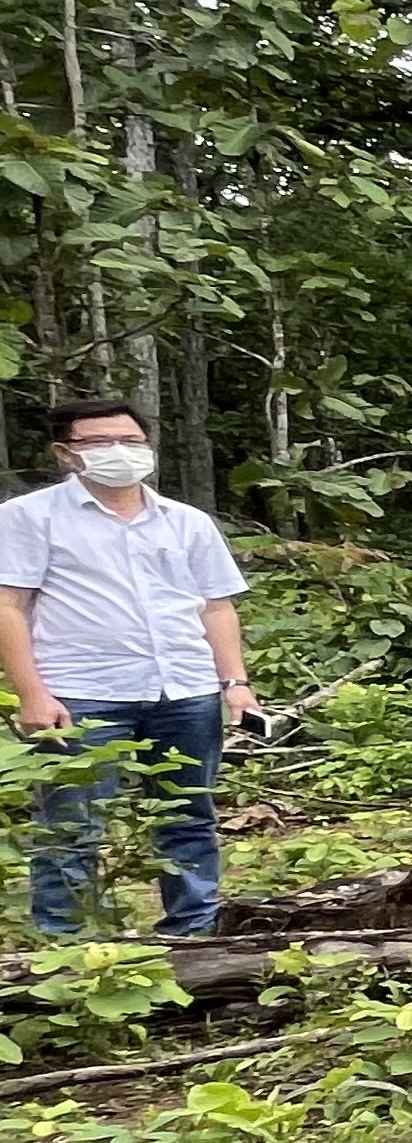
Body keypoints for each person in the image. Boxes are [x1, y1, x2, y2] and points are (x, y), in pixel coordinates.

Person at [0, 399, 257, 937]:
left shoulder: (186, 522)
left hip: (184, 691)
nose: (119, 453)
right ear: (66, 454)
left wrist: (235, 684)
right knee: (71, 826)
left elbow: (216, 605)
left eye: (131, 442)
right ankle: (62, 949)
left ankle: (194, 935)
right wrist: (32, 694)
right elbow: (9, 607)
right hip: (82, 695)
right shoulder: (27, 518)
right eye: (99, 443)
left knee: (188, 819)